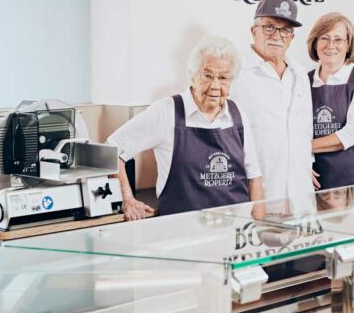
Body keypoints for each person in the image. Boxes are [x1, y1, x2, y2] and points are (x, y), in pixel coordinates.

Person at [108, 36, 264, 220]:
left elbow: (254, 179)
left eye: (223, 78)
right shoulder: (166, 111)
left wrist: (259, 228)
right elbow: (112, 149)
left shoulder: (238, 115)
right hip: (182, 231)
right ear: (193, 75)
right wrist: (127, 199)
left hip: (234, 230)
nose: (215, 86)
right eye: (207, 76)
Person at [231, 0, 314, 211]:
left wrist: (308, 164)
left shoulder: (300, 73)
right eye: (269, 27)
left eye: (285, 30)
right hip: (258, 191)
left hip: (301, 192)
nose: (277, 36)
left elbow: (305, 129)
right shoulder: (235, 73)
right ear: (254, 30)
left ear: (292, 37)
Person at [306, 12, 354, 189]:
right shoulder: (304, 81)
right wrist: (303, 163)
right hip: (321, 179)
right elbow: (299, 131)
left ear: (349, 45)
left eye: (338, 39)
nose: (331, 45)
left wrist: (300, 150)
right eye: (324, 38)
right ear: (315, 43)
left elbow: (353, 133)